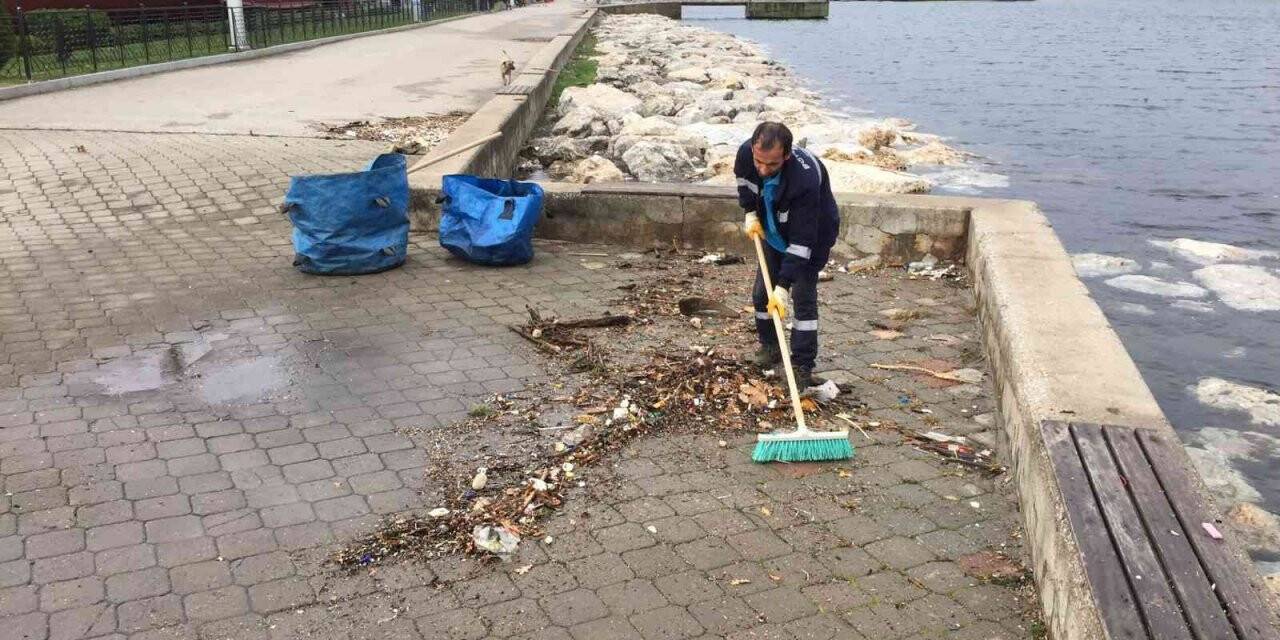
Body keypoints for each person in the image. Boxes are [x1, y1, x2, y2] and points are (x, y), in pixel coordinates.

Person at [736, 122, 840, 389]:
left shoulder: (804, 181)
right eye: (759, 161)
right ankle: (770, 347)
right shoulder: (746, 155)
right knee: (762, 295)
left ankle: (802, 365)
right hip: (772, 230)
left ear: (787, 156)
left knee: (802, 298)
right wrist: (749, 212)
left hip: (811, 237)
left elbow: (802, 242)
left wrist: (783, 286)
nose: (762, 169)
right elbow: (745, 185)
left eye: (771, 165)